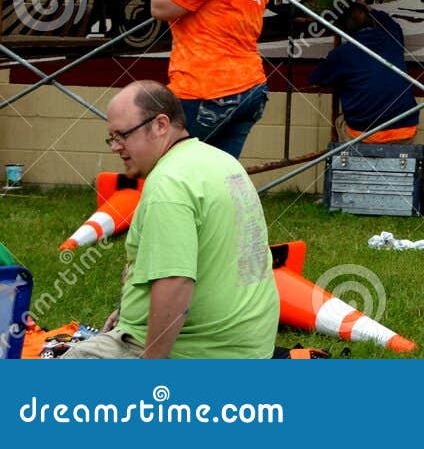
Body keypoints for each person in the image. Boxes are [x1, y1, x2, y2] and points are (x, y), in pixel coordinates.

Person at [62, 80, 276, 359]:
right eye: (111, 138)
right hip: (250, 349)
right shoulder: (222, 162)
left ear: (161, 125)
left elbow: (175, 283)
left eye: (122, 135)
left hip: (197, 353)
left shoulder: (168, 184)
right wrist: (132, 312)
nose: (115, 147)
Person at [150, 0, 268, 159]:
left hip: (205, 89)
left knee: (168, 162)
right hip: (250, 87)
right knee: (220, 173)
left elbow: (159, 6)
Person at [308, 1, 420, 143]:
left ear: (344, 30)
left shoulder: (342, 54)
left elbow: (315, 78)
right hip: (404, 130)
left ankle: (354, 163)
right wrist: (367, 7)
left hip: (364, 134)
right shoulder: (393, 38)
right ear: (372, 22)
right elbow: (387, 21)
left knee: (340, 121)